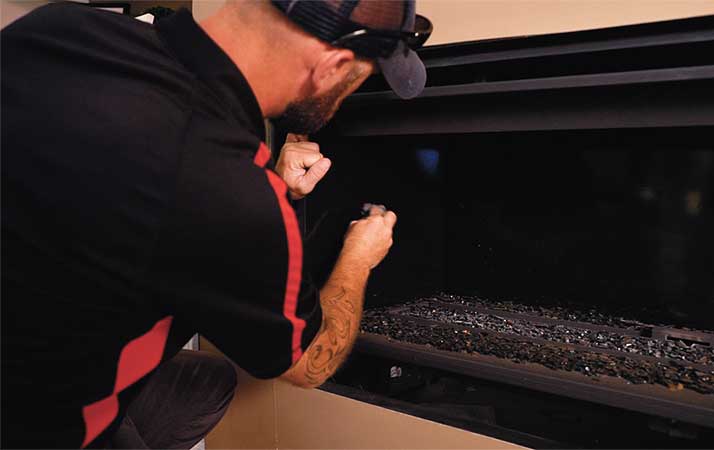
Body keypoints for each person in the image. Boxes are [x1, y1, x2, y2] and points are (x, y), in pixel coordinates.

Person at [1, 0, 432, 448]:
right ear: (331, 67)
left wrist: (261, 192)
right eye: (354, 82)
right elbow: (311, 363)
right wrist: (359, 257)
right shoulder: (227, 191)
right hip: (35, 426)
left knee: (207, 381)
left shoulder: (57, 28)